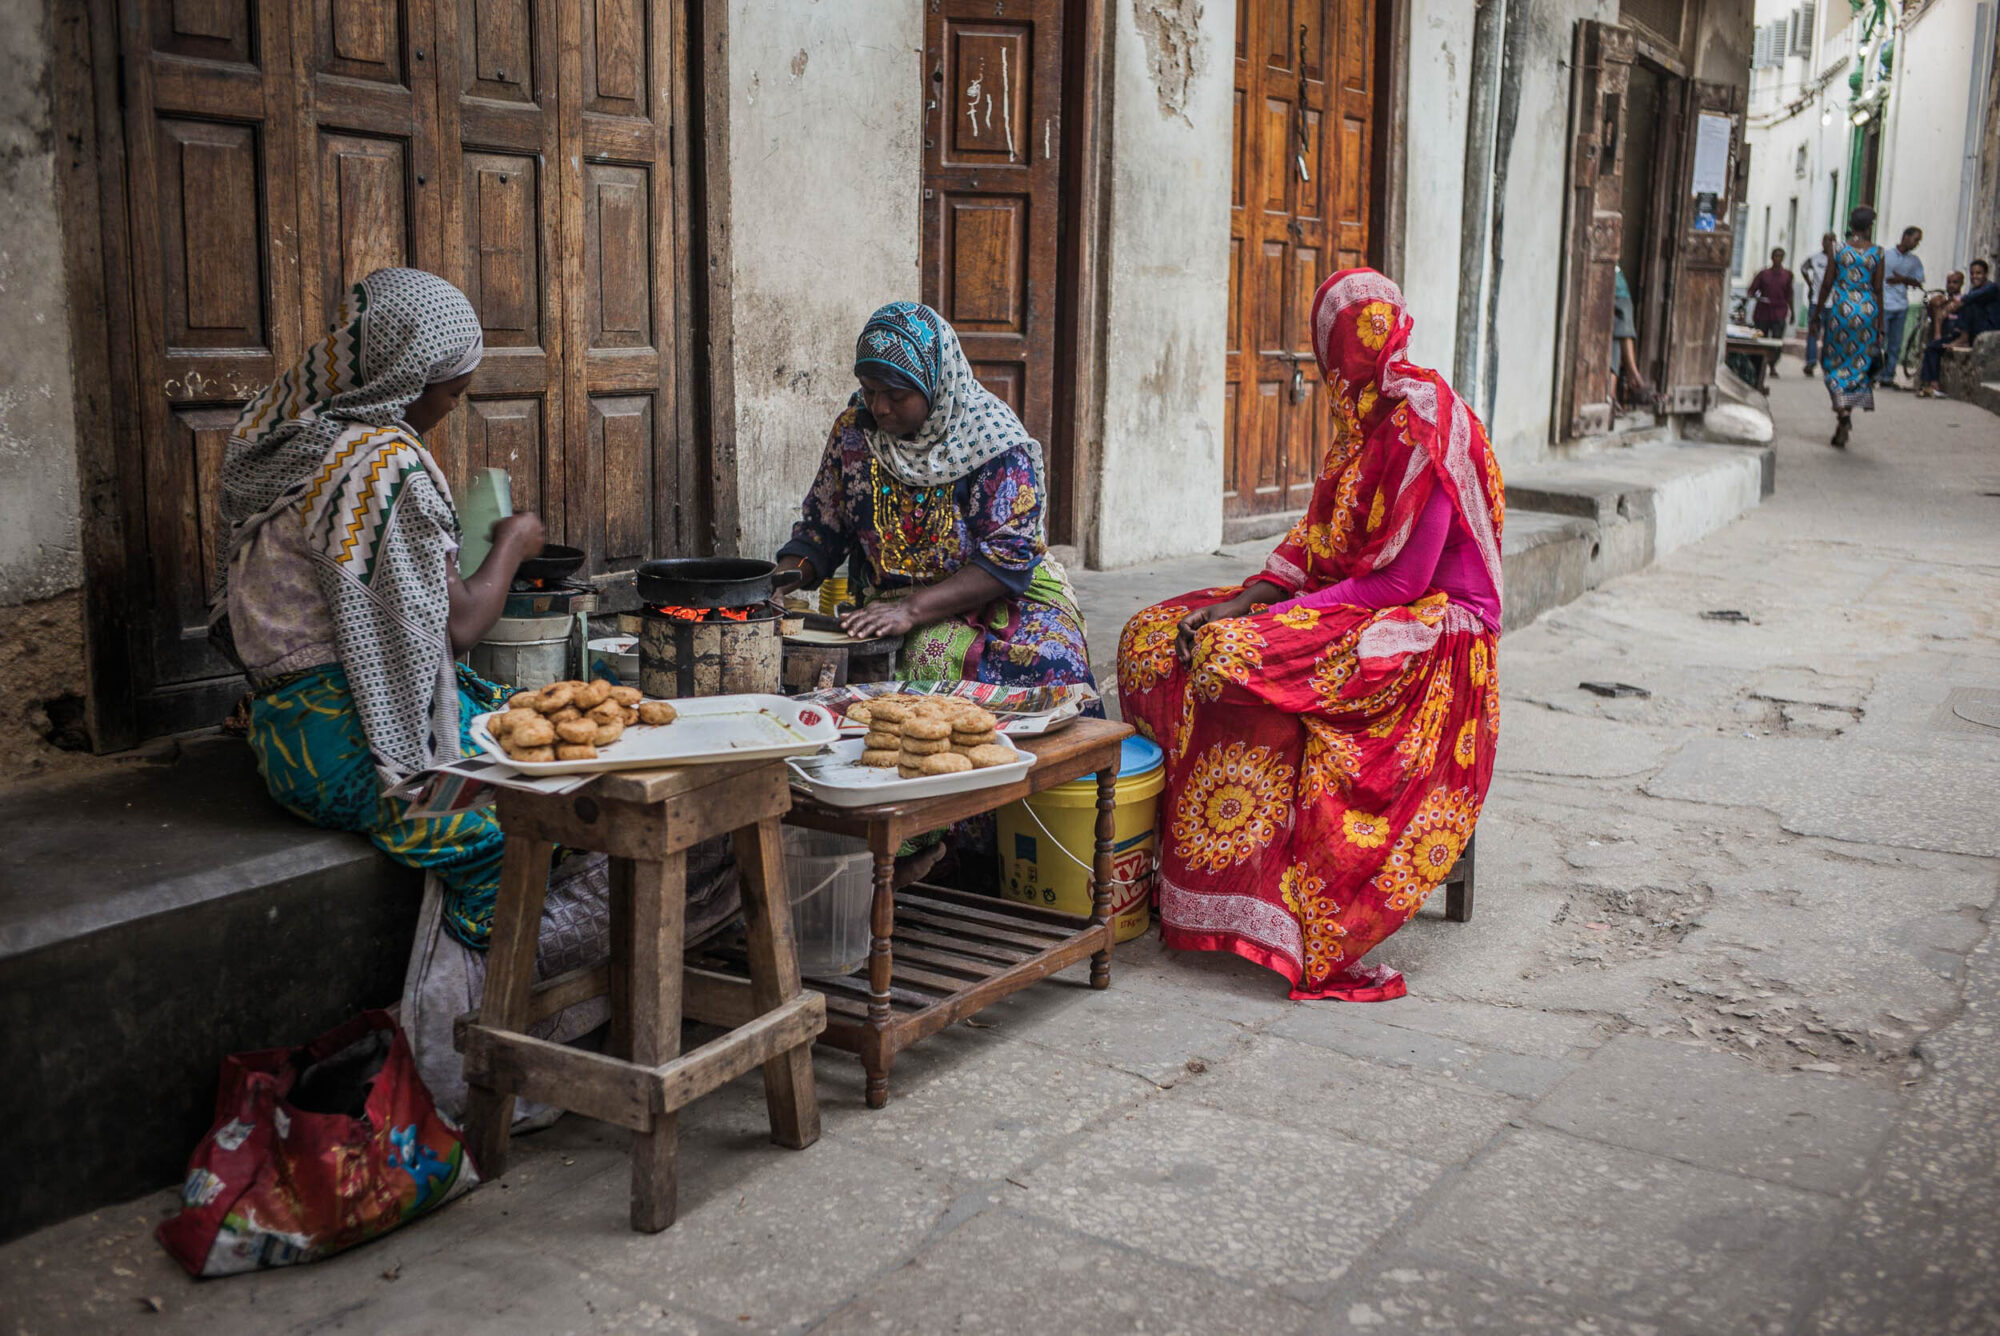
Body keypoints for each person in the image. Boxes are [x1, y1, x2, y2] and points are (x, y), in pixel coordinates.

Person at [210, 268, 609, 1116]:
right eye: (456, 388)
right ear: (416, 379)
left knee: (549, 743)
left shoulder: (290, 433)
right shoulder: (379, 467)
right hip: (346, 743)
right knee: (516, 835)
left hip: (287, 727)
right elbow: (459, 627)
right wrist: (512, 542)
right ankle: (471, 1047)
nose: (456, 402)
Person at [1116, 269, 1503, 1002]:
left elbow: (1401, 583)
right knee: (1153, 636)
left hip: (1435, 629)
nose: (1324, 367)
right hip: (1354, 598)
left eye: (1327, 349)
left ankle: (1272, 901)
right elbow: (1319, 537)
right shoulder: (1363, 421)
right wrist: (1257, 596)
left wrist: (1267, 622)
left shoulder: (1429, 427)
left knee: (1231, 657)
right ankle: (1194, 879)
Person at [776, 301, 1094, 694]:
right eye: (869, 390)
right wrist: (778, 582)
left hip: (1005, 598)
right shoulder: (856, 431)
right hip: (890, 604)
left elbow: (1008, 558)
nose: (879, 407)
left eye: (895, 395)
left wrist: (912, 609)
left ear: (936, 385)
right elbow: (823, 527)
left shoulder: (992, 441)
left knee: (1047, 662)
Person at [1811, 207, 1885, 449]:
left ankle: (1840, 409)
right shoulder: (1877, 253)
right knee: (1857, 367)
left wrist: (1817, 313)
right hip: (1866, 312)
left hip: (1841, 311)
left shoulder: (1839, 249)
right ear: (1869, 227)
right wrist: (1880, 324)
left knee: (1832, 362)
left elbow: (1828, 282)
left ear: (1851, 225)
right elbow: (1878, 289)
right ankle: (1845, 419)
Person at [1916, 258, 1999, 398]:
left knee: (1969, 303)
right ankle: (1932, 384)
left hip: (1986, 329)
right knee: (1933, 347)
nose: (1975, 276)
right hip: (1969, 330)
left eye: (1978, 273)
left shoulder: (1991, 288)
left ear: (1986, 274)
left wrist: (1957, 303)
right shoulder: (1973, 291)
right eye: (1972, 274)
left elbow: (1969, 299)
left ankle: (1963, 338)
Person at [1878, 226, 1925, 388]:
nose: (1917, 243)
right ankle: (1874, 374)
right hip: (1883, 304)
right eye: (1915, 239)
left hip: (1901, 305)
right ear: (1905, 236)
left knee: (1895, 344)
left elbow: (1919, 281)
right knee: (1879, 342)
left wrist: (1902, 279)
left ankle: (1888, 376)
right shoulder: (1885, 255)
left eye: (1919, 240)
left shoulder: (1914, 261)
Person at [1748, 248, 1794, 375]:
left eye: (1780, 256)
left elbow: (1790, 295)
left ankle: (1772, 365)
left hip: (1779, 312)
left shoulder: (1787, 275)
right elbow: (1752, 289)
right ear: (1771, 257)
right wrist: (1752, 296)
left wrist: (1792, 313)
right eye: (1775, 256)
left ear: (1783, 258)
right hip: (1763, 311)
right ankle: (1758, 366)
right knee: (1760, 339)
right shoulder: (1763, 274)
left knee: (1777, 340)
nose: (1777, 259)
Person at [1612, 266, 1651, 406]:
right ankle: (1633, 373)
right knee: (1623, 308)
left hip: (1616, 283)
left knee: (1616, 332)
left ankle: (1611, 395)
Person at [1799, 232, 1836, 375]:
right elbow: (1803, 268)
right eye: (1827, 240)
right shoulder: (1815, 258)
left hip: (1832, 302)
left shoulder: (1839, 260)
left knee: (1830, 335)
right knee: (1813, 331)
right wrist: (1810, 284)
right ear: (1822, 242)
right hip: (1816, 300)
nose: (1829, 243)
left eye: (1833, 240)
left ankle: (1827, 363)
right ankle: (1811, 361)